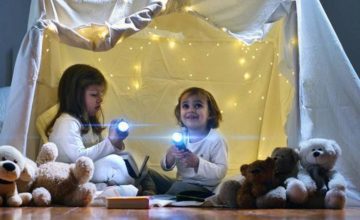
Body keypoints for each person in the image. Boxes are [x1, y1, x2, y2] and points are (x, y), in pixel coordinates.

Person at [46, 64, 133, 186]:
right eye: (94, 94)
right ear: (75, 95)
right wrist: (111, 141)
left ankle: (143, 186)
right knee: (115, 164)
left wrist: (117, 141)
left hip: (85, 175)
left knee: (128, 158)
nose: (100, 99)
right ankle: (141, 188)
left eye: (101, 94)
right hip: (70, 177)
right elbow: (79, 158)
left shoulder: (88, 122)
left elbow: (100, 153)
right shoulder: (66, 122)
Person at [141, 87, 228, 196]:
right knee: (147, 173)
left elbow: (221, 171)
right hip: (180, 183)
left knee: (178, 188)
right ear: (179, 112)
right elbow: (165, 167)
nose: (191, 110)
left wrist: (197, 163)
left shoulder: (216, 139)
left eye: (198, 105)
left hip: (203, 189)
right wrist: (169, 157)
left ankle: (160, 199)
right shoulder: (180, 135)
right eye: (185, 106)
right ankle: (149, 194)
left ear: (210, 113)